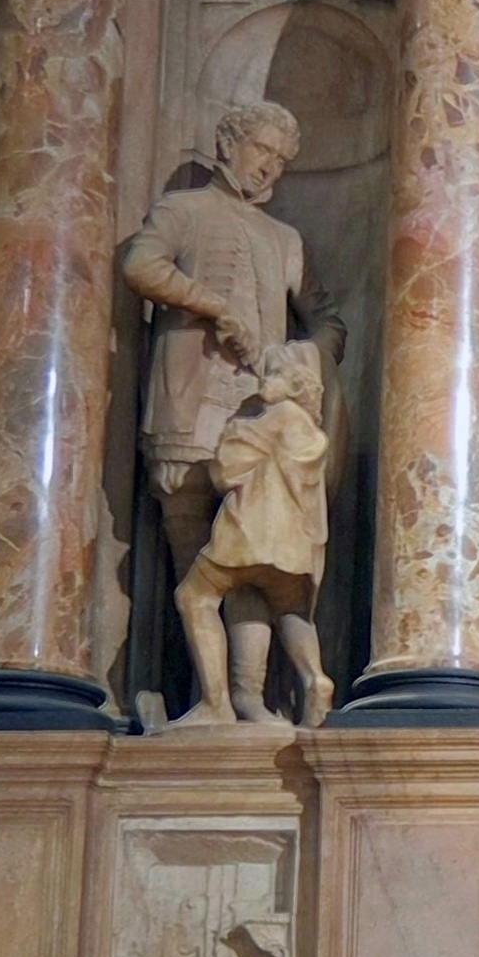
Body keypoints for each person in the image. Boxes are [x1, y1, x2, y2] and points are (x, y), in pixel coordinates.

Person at [122, 102, 308, 615]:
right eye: (262, 149)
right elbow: (141, 266)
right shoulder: (183, 210)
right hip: (190, 398)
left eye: (280, 158)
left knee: (252, 552)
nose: (269, 165)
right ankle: (209, 692)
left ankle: (246, 691)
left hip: (255, 406)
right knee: (192, 557)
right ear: (229, 145)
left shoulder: (284, 237)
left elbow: (314, 318)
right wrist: (213, 304)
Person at [173, 338, 333, 729]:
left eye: (275, 372)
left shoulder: (275, 417)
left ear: (296, 382)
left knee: (194, 596)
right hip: (295, 546)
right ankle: (306, 681)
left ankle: (216, 703)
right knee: (282, 608)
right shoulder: (310, 430)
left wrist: (232, 432)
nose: (266, 379)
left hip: (249, 533)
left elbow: (226, 469)